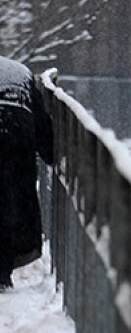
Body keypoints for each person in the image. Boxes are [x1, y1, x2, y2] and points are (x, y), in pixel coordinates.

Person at [0, 57, 53, 292]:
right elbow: (41, 121)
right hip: (16, 136)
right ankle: (3, 269)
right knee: (11, 203)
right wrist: (49, 151)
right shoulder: (21, 72)